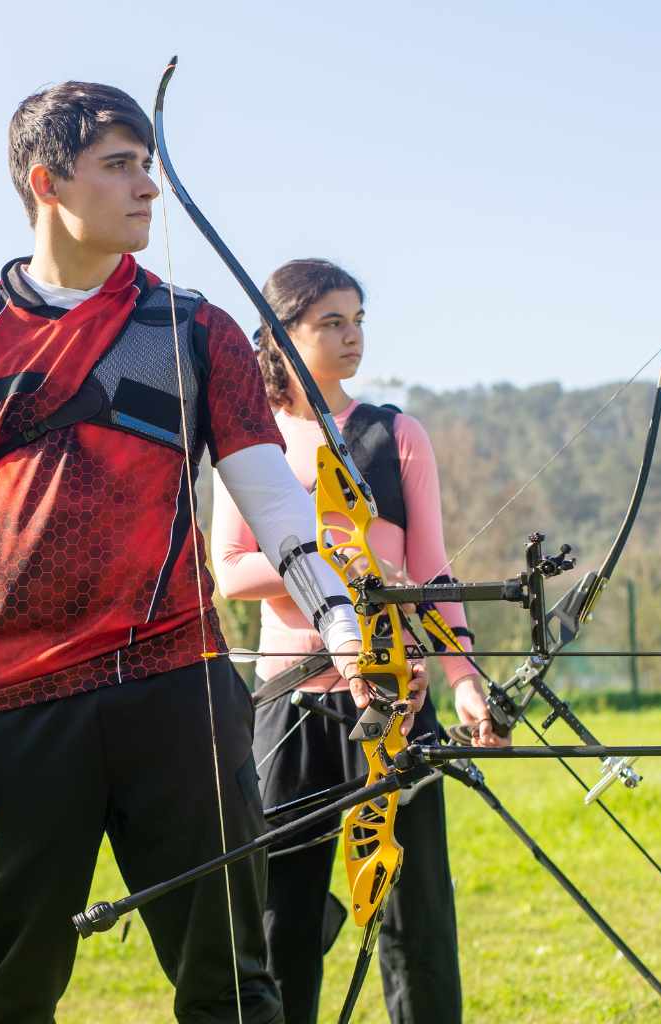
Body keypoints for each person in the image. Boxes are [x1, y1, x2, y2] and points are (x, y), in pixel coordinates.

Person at [0, 84, 422, 1024]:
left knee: (234, 987)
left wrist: (344, 626)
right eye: (121, 165)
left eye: (149, 163)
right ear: (49, 182)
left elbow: (277, 507)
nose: (149, 187)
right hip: (13, 708)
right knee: (8, 992)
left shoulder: (197, 331)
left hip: (178, 687)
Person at [211, 258, 509, 1024]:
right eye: (330, 323)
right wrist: (326, 567)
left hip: (395, 700)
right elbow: (231, 571)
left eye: (359, 320)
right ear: (283, 336)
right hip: (293, 703)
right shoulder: (251, 443)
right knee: (283, 907)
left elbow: (432, 571)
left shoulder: (394, 433)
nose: (352, 337)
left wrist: (464, 678)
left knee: (415, 912)